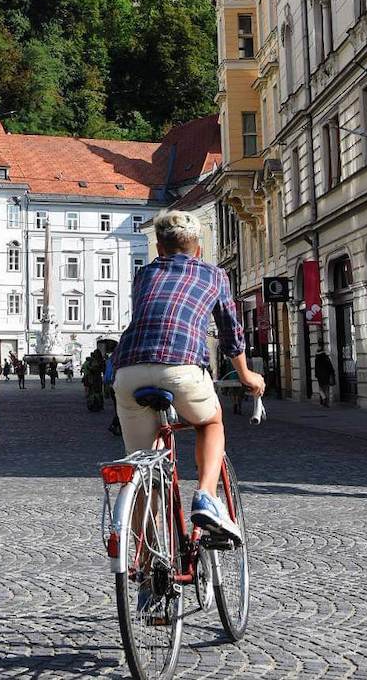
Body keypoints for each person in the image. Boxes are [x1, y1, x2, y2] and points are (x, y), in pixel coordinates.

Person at [112, 209, 265, 543]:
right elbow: (230, 333)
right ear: (198, 249)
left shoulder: (144, 276)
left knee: (142, 467)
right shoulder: (213, 275)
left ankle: (148, 561)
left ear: (159, 250)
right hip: (182, 367)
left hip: (128, 370)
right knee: (210, 423)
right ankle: (207, 496)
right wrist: (245, 375)